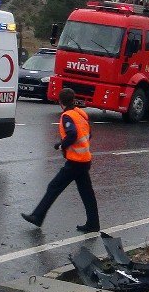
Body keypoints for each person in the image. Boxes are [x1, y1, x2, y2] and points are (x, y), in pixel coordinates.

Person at [21, 88, 101, 233]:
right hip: (84, 160)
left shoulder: (67, 116)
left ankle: (37, 216)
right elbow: (89, 134)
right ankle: (93, 223)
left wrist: (61, 145)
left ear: (60, 102)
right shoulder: (80, 114)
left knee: (54, 186)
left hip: (75, 162)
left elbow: (72, 135)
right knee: (87, 193)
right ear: (72, 100)